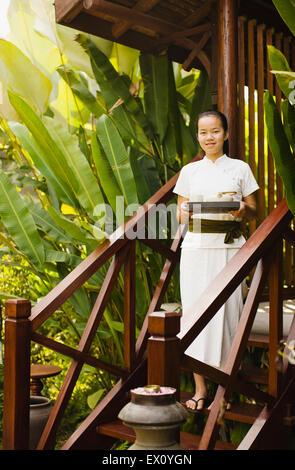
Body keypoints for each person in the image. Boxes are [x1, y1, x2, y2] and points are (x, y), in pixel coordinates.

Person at [173, 110, 259, 412]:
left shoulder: (240, 168)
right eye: (203, 132)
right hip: (196, 248)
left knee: (229, 314)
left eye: (215, 131)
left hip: (231, 248)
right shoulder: (190, 171)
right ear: (198, 136)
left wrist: (241, 211)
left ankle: (228, 387)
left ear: (226, 134)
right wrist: (185, 213)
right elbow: (180, 211)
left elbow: (253, 208)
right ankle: (200, 388)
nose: (209, 137)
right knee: (196, 315)